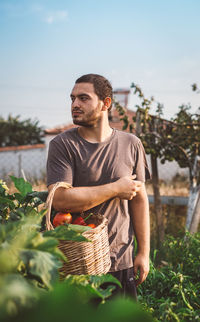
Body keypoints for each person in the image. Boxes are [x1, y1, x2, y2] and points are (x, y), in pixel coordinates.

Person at [46, 73, 151, 299]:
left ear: (106, 103)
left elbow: (140, 198)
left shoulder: (131, 144)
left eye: (83, 98)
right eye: (72, 98)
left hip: (122, 260)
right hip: (78, 265)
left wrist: (143, 252)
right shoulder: (62, 145)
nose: (75, 104)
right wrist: (115, 188)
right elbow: (61, 199)